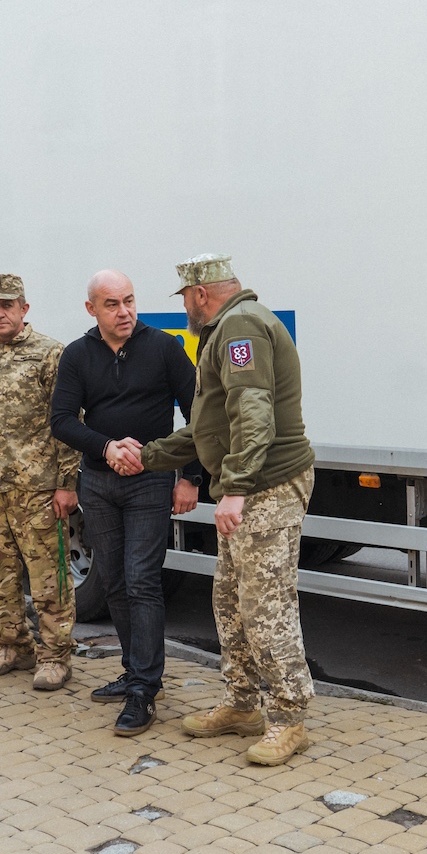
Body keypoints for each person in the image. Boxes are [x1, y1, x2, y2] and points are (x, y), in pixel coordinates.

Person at [110, 254, 317, 766]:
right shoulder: (227, 329)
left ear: (201, 293)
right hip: (250, 485)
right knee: (230, 600)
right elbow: (210, 427)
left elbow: (253, 411)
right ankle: (243, 704)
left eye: (183, 298)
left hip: (266, 487)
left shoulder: (241, 326)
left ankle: (288, 720)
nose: (183, 309)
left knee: (266, 607)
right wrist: (152, 457)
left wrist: (237, 487)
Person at [50, 269, 201, 737]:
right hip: (98, 483)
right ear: (91, 309)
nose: (125, 312)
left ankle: (144, 689)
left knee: (142, 581)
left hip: (150, 482)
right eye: (113, 304)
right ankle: (135, 670)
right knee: (113, 580)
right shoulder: (77, 355)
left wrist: (190, 476)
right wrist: (106, 447)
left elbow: (199, 411)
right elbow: (61, 420)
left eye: (130, 301)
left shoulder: (162, 348)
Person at [0, 274, 81, 690]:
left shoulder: (50, 354)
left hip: (38, 489)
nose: (0, 312)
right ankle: (13, 646)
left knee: (49, 578)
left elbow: (67, 422)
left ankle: (55, 655)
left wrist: (67, 482)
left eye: (8, 305)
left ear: (24, 309)